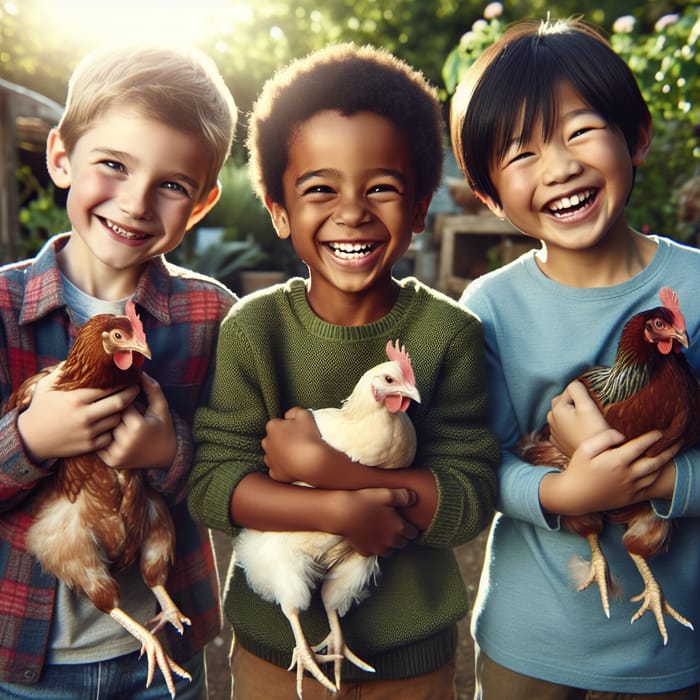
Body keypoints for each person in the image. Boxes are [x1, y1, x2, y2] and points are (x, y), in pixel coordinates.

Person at [188, 42, 500, 700]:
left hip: (409, 655)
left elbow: (469, 495)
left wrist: (338, 475)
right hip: (278, 649)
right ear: (278, 209)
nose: (352, 210)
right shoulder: (252, 329)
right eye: (320, 188)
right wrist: (338, 508)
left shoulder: (450, 335)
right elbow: (215, 481)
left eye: (381, 187)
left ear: (419, 208)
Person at [451, 17, 700, 699]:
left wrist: (659, 484)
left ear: (637, 137)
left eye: (580, 130)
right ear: (489, 194)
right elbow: (479, 458)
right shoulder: (491, 304)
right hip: (529, 638)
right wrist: (566, 493)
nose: (559, 165)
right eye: (520, 152)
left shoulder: (698, 287)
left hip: (671, 645)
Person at [0, 43, 238, 699]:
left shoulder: (210, 315)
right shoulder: (1, 310)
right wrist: (31, 440)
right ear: (60, 158)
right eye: (112, 165)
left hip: (162, 658)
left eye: (170, 185)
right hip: (21, 663)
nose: (135, 203)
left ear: (201, 203)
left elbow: (238, 470)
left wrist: (171, 450)